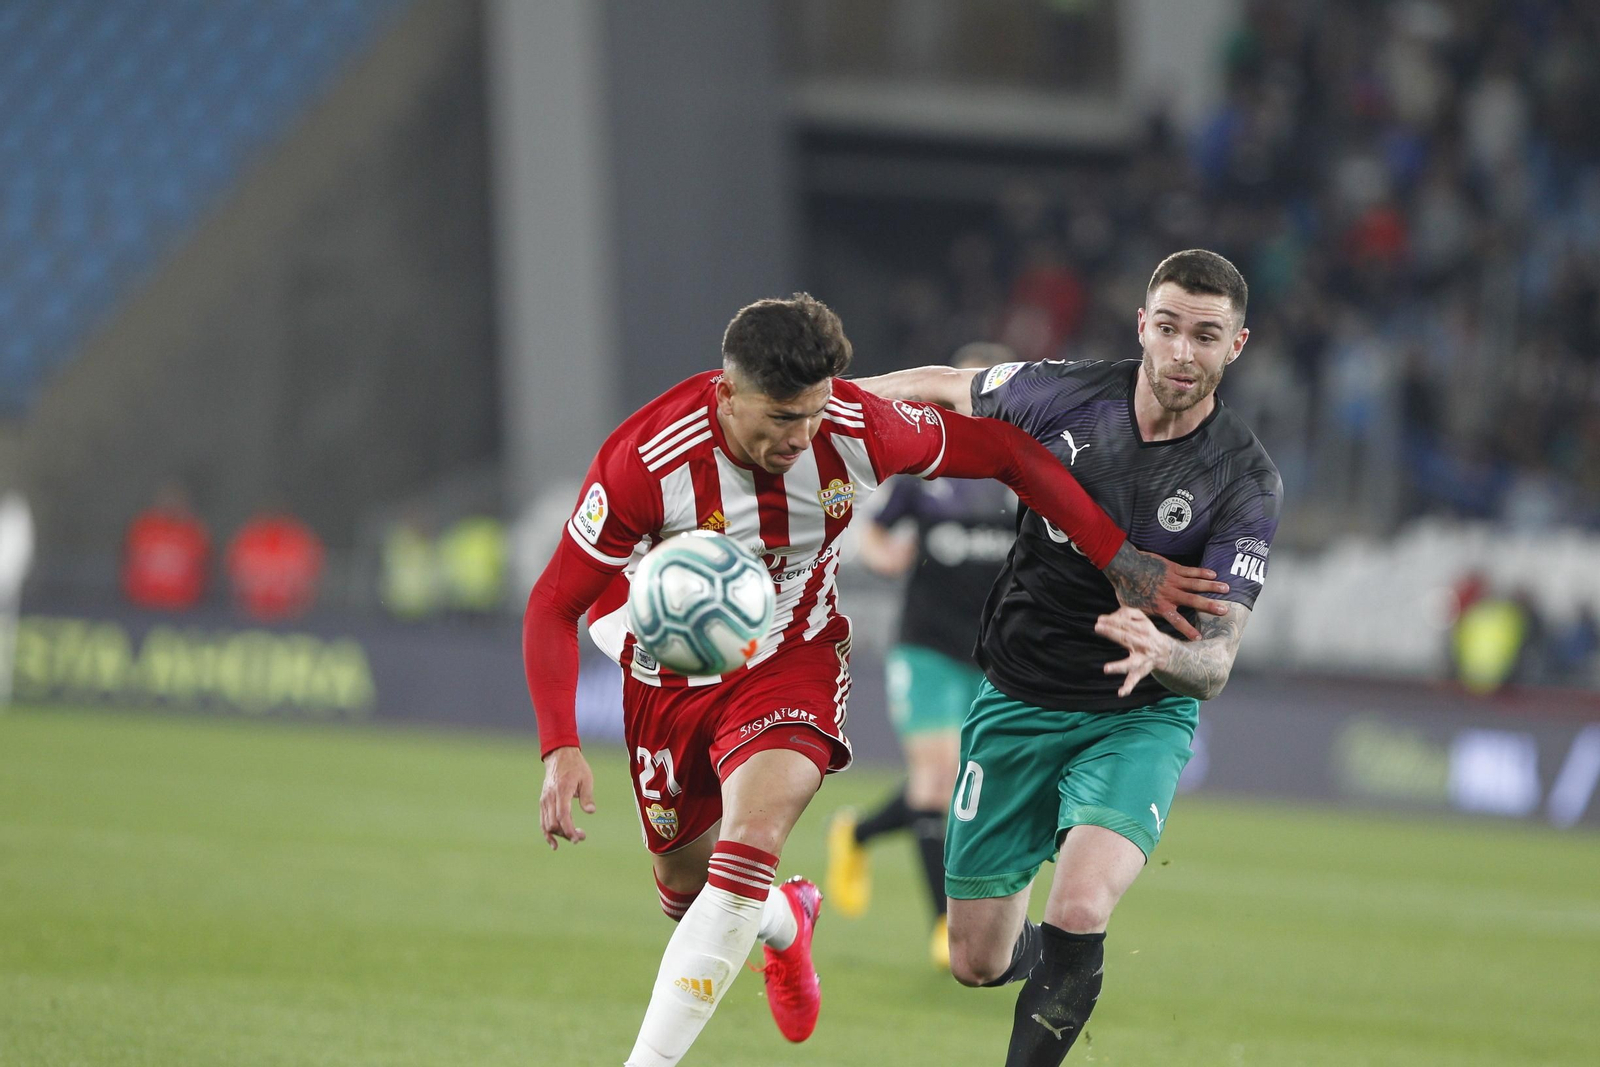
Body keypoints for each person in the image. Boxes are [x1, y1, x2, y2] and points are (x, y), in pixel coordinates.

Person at [522, 293, 1229, 1067]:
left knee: (746, 848)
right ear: (727, 395)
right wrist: (560, 745)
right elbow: (555, 603)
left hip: (790, 660)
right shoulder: (648, 458)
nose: (800, 437)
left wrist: (1120, 558)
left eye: (812, 414)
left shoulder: (853, 426)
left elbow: (1010, 454)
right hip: (669, 684)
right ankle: (786, 920)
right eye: (781, 418)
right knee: (688, 892)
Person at [856, 250, 1281, 1065]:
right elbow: (943, 386)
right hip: (1018, 697)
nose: (1182, 352)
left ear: (1236, 344)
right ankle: (1044, 959)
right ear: (1142, 326)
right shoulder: (1062, 393)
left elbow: (1216, 662)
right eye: (1168, 328)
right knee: (976, 958)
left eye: (1205, 336)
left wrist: (1164, 649)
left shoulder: (1244, 479)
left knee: (1080, 908)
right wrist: (819, 400)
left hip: (1136, 715)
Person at [827, 342, 1018, 969]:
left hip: (992, 654)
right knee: (937, 781)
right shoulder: (926, 470)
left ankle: (858, 833)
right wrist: (886, 556)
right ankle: (944, 926)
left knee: (963, 784)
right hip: (926, 644)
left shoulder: (1024, 475)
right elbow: (875, 530)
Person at [122, 481, 210, 611]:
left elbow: (203, 567)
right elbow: (129, 561)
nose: (170, 503)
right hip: (142, 605)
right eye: (167, 498)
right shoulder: (143, 527)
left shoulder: (193, 531)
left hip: (184, 607)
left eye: (175, 499)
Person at [226, 507, 325, 621]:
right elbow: (234, 577)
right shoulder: (249, 540)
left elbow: (312, 580)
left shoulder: (298, 541)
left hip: (292, 615)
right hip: (252, 612)